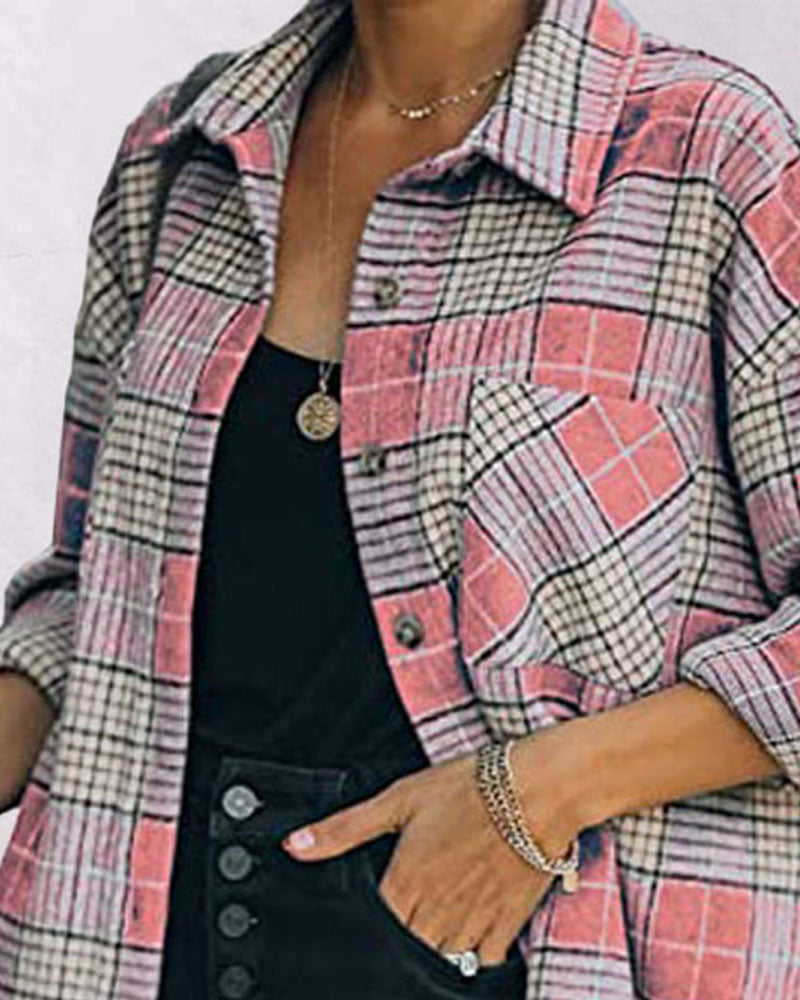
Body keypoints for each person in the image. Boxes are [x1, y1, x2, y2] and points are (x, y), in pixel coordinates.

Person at [2, 0, 800, 997]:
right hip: (134, 944)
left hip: (517, 947)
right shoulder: (182, 155)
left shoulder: (708, 159)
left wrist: (541, 791)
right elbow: (97, 583)